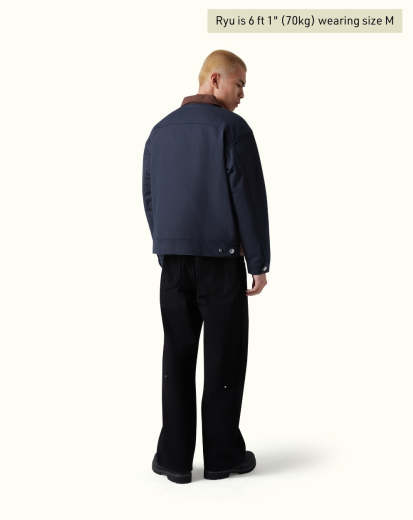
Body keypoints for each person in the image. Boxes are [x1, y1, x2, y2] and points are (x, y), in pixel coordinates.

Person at [142, 49, 271, 484]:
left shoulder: (160, 131)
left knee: (177, 358)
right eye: (239, 84)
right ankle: (222, 456)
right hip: (220, 264)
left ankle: (174, 459)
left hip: (173, 266)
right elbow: (248, 198)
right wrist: (259, 261)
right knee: (224, 359)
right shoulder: (232, 129)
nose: (242, 95)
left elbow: (150, 196)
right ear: (215, 80)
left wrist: (165, 247)